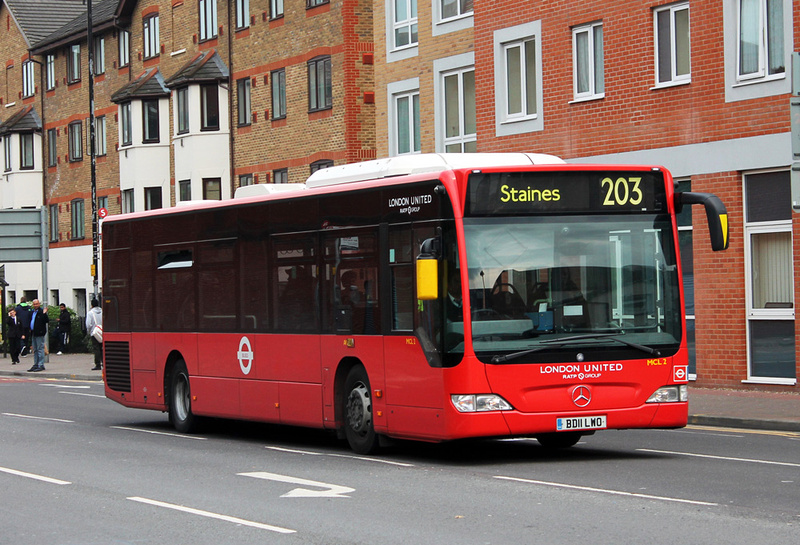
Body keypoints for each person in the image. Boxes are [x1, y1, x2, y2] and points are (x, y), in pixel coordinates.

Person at [27, 299, 49, 372]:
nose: (35, 305)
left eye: (36, 304)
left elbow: (46, 320)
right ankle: (35, 364)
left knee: (40, 349)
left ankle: (41, 364)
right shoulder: (32, 312)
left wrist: (44, 313)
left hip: (39, 333)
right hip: (33, 332)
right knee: (35, 349)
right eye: (34, 304)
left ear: (39, 304)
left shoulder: (41, 312)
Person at [86, 299, 103, 370]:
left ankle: (98, 364)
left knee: (96, 349)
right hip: (102, 332)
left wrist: (89, 331)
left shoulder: (90, 313)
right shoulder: (102, 311)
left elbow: (88, 324)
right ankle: (104, 363)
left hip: (94, 332)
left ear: (92, 305)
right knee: (102, 348)